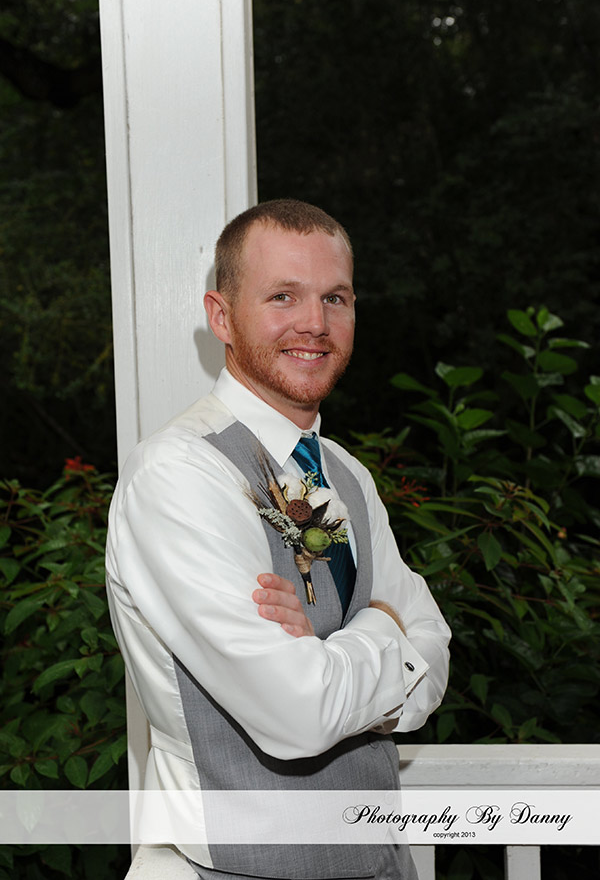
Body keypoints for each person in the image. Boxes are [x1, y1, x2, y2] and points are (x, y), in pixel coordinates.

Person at [106, 199, 451, 880]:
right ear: (222, 316)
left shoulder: (346, 474)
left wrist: (327, 653)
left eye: (335, 298)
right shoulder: (179, 474)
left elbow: (435, 658)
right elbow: (298, 716)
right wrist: (383, 626)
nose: (315, 323)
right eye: (283, 296)